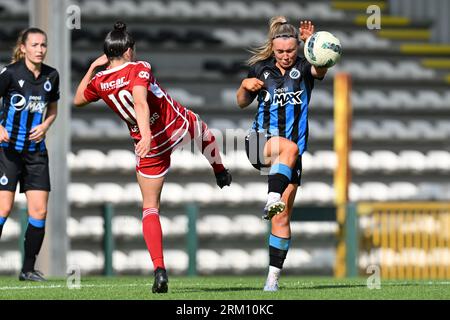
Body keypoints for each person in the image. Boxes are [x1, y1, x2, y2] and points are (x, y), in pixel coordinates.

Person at [73, 22, 232, 294]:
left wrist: (92, 68)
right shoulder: (139, 67)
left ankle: (159, 268)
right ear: (127, 51)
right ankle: (219, 170)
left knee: (150, 208)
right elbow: (140, 101)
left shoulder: (99, 81)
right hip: (171, 129)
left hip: (148, 149)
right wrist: (148, 133)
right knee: (199, 125)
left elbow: (77, 100)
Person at [236, 17, 330, 291]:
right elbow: (241, 104)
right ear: (273, 50)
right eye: (280, 52)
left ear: (297, 48)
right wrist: (244, 86)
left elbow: (322, 68)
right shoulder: (259, 69)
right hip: (258, 144)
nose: (286, 56)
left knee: (282, 217)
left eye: (290, 51)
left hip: (290, 159)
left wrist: (314, 44)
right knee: (288, 148)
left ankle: (272, 280)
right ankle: (272, 197)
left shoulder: (304, 68)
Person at [0, 28, 60, 281]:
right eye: (34, 45)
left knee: (39, 211)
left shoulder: (52, 75)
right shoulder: (10, 73)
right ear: (23, 48)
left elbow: (53, 109)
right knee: (3, 208)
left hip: (36, 153)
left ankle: (27, 269)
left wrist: (45, 126)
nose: (40, 49)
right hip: (8, 152)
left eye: (43, 45)